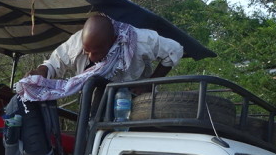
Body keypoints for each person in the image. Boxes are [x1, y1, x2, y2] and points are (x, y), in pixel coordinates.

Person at [16, 13, 184, 102]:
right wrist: (40, 71)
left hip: (130, 100)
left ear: (111, 42)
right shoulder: (77, 41)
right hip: (94, 100)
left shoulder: (140, 40)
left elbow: (175, 50)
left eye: (95, 51)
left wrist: (150, 83)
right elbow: (54, 63)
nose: (90, 56)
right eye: (87, 50)